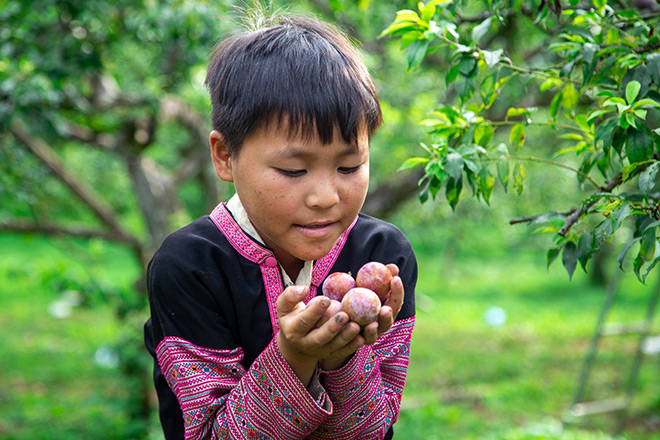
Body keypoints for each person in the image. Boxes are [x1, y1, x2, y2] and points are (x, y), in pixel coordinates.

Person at [144, 12, 417, 440]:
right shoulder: (191, 266)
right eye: (293, 170)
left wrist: (344, 359)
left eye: (349, 166)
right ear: (225, 156)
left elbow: (371, 432)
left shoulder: (382, 255)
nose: (325, 196)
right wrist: (292, 358)